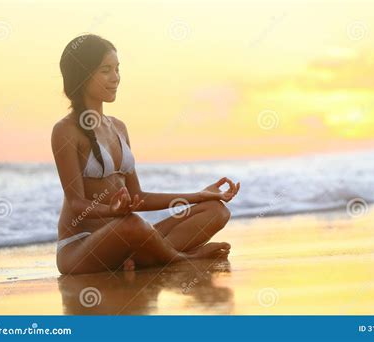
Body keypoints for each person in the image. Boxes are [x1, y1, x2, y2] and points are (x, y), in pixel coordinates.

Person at [51, 34, 240, 274]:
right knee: (132, 224)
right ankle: (179, 257)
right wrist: (112, 211)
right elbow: (77, 204)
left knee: (216, 210)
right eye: (106, 70)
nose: (115, 78)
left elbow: (138, 195)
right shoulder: (65, 130)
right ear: (83, 74)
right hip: (82, 249)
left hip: (129, 236)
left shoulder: (118, 127)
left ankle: (142, 258)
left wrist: (200, 195)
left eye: (117, 69)